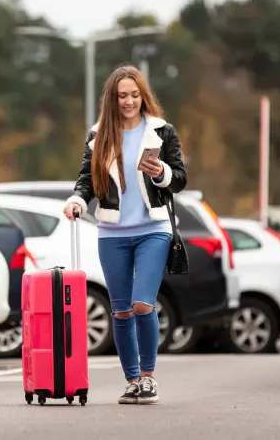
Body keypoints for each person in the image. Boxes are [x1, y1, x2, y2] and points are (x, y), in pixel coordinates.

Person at [63, 64, 187, 405]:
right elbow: (87, 179)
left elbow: (179, 178)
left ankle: (149, 378)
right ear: (112, 100)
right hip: (112, 232)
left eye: (134, 95)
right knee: (120, 310)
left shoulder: (162, 131)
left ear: (142, 96)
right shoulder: (99, 133)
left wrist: (161, 171)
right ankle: (132, 380)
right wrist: (76, 200)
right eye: (122, 96)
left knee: (142, 303)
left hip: (154, 230)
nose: (129, 101)